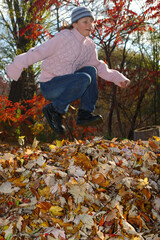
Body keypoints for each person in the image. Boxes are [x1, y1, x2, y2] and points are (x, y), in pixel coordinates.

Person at [6, 6, 130, 135]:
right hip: (50, 85)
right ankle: (54, 110)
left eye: (91, 21)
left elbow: (99, 66)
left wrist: (118, 78)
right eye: (85, 22)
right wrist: (17, 65)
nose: (90, 25)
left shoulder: (89, 45)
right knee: (84, 78)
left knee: (91, 70)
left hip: (69, 84)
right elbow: (39, 51)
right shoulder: (63, 37)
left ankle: (84, 113)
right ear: (75, 24)